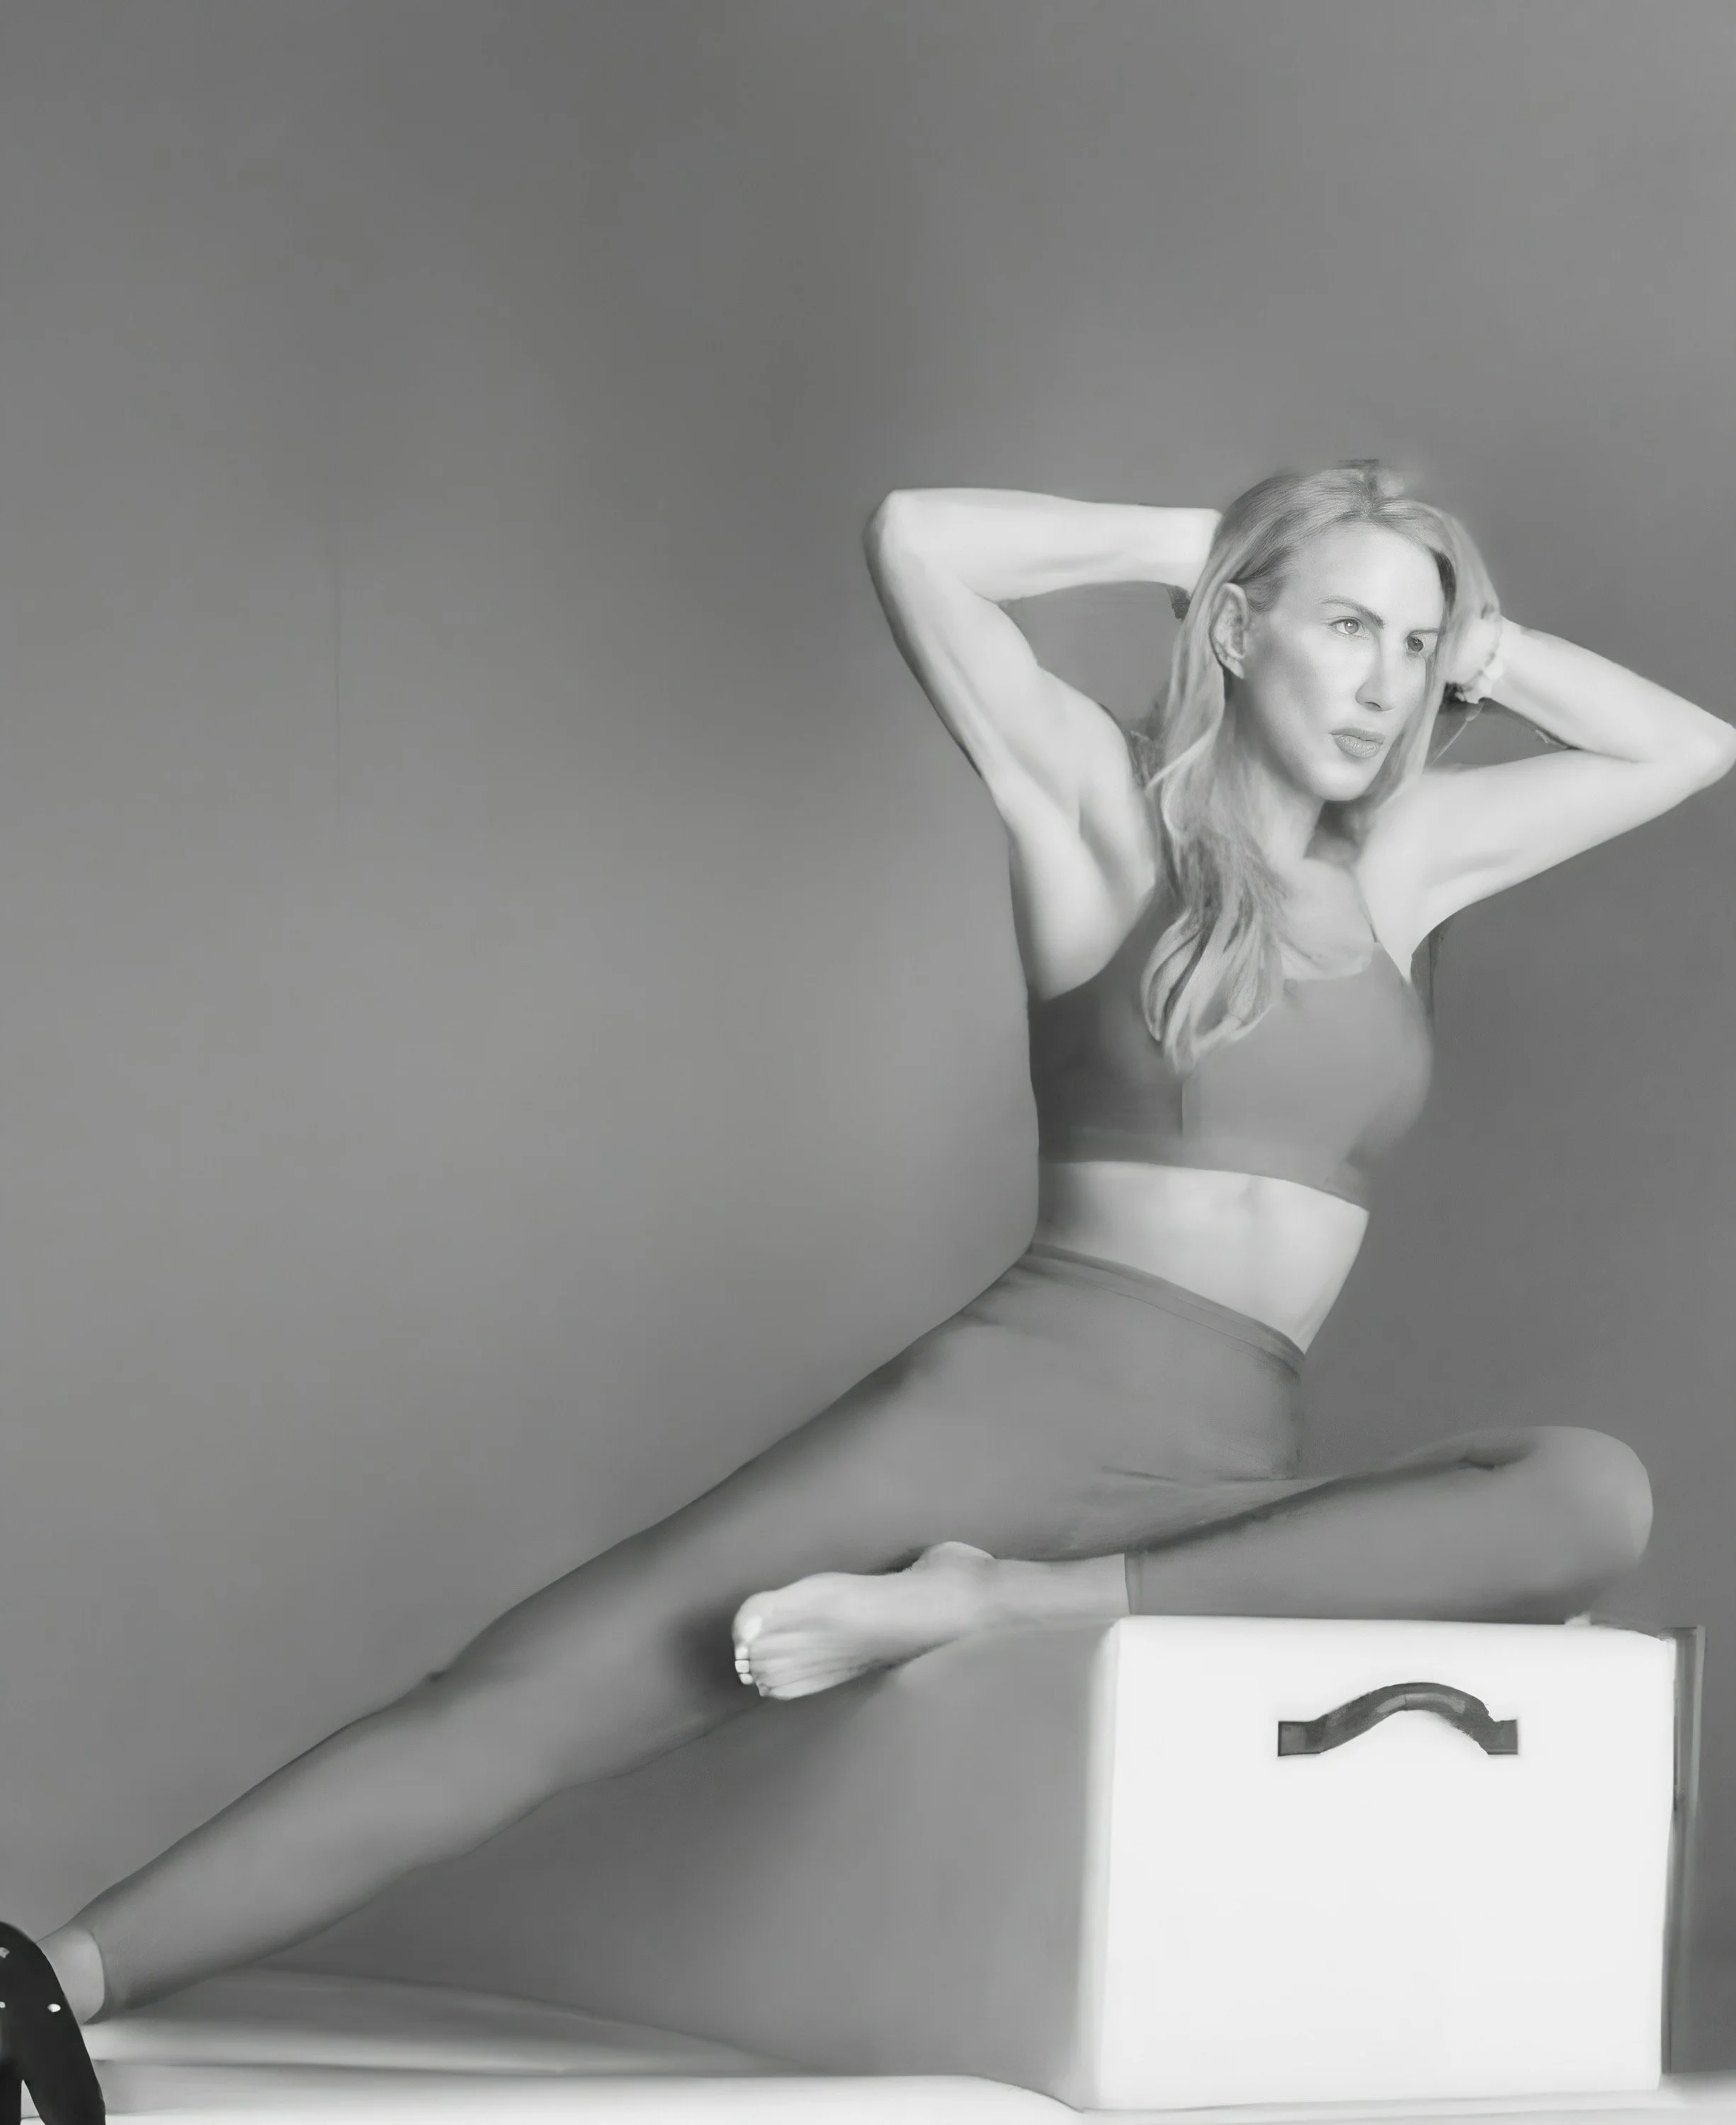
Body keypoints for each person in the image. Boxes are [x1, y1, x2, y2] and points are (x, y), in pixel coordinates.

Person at [11, 463, 1732, 2125]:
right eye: (1344, 628)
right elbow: (919, 541)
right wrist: (1202, 544)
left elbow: (1692, 745)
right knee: (537, 1685)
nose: (1385, 682)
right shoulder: (1099, 809)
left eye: (1415, 647)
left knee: (1587, 1495)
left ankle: (988, 1608)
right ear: (1236, 631)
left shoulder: (1407, 859)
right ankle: (61, 1976)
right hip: (1010, 1409)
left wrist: (1470, 638)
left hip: (1220, 1472)